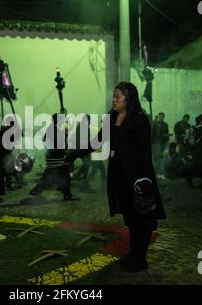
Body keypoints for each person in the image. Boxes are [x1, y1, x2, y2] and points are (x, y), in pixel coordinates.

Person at [68, 82, 166, 272]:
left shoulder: (139, 119)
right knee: (130, 217)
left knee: (142, 220)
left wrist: (145, 184)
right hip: (120, 176)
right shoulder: (111, 118)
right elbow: (97, 141)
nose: (113, 100)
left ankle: (140, 260)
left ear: (128, 98)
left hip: (137, 177)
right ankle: (133, 255)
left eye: (117, 97)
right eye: (113, 96)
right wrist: (75, 153)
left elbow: (146, 153)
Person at [30, 113, 79, 200]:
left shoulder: (53, 128)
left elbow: (45, 139)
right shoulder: (53, 129)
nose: (63, 122)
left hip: (53, 157)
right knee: (65, 175)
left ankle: (36, 190)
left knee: (49, 176)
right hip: (57, 157)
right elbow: (57, 144)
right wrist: (65, 151)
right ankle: (67, 194)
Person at [186, 114, 202, 188]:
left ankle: (193, 179)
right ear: (201, 121)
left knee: (197, 165)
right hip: (201, 150)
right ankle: (200, 181)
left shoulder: (195, 128)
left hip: (195, 149)